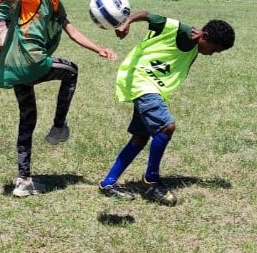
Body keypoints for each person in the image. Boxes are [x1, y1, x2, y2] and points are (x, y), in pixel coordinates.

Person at [0, 0, 117, 198]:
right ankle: (58, 127)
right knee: (71, 71)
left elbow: (72, 31)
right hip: (31, 60)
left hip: (16, 67)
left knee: (28, 119)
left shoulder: (55, 0)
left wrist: (99, 48)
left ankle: (23, 181)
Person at [98, 11, 235, 205]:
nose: (212, 54)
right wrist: (126, 23)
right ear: (205, 36)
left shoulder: (196, 44)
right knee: (166, 127)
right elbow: (148, 15)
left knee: (141, 136)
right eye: (214, 49)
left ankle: (108, 183)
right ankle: (151, 179)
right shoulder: (181, 31)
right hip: (142, 81)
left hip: (149, 86)